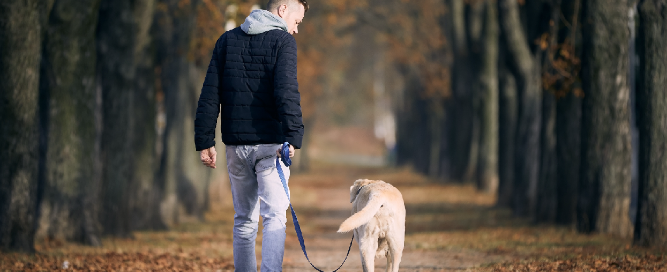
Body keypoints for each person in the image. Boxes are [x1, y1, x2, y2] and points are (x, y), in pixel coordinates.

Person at [194, 0, 307, 271]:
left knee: (244, 220)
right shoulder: (283, 42)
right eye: (297, 21)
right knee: (274, 218)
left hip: (236, 146)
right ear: (283, 10)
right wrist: (293, 135)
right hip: (271, 146)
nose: (296, 29)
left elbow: (210, 94)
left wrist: (204, 140)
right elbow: (286, 91)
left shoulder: (226, 41)